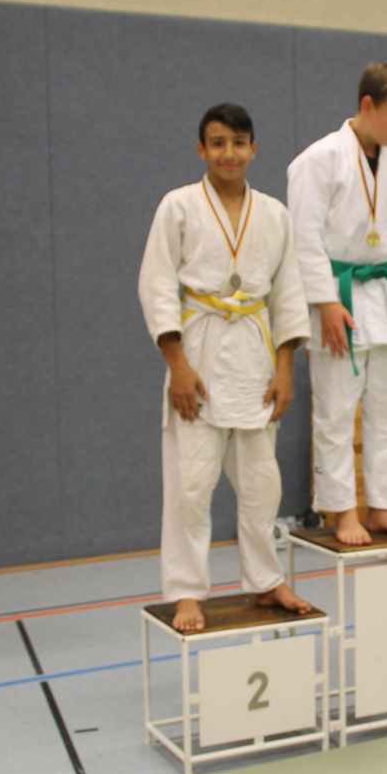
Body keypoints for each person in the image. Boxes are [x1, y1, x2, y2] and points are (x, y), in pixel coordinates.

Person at [139, 103, 313, 633]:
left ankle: (265, 579)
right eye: (217, 143)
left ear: (254, 148)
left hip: (255, 356)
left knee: (262, 484)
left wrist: (285, 367)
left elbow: (289, 293)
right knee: (191, 486)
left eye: (238, 143)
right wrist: (177, 364)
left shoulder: (275, 214)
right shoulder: (178, 206)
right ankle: (186, 591)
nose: (228, 153)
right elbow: (157, 284)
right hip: (199, 349)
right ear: (202, 149)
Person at [288, 61, 387, 546]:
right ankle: (342, 511)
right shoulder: (317, 160)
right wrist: (323, 302)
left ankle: (384, 507)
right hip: (340, 296)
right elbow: (303, 237)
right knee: (336, 410)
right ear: (367, 105)